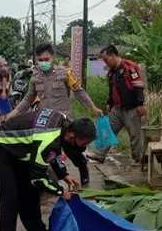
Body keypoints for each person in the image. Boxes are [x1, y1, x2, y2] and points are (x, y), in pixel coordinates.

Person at [0, 108, 96, 231]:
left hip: (22, 151)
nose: (83, 148)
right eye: (83, 144)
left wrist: (63, 175)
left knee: (29, 193)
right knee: (11, 200)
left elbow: (54, 153)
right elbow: (39, 177)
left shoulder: (65, 122)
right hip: (0, 149)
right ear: (72, 136)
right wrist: (60, 191)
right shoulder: (48, 139)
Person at [6, 43, 102, 186]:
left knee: (73, 150)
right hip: (46, 123)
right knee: (47, 152)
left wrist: (92, 107)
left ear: (53, 58)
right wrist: (13, 113)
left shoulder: (64, 73)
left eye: (46, 59)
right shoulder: (35, 77)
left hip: (64, 121)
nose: (43, 63)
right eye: (40, 60)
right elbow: (28, 99)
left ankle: (83, 169)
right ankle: (48, 180)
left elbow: (79, 91)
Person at [86, 45, 146, 164]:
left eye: (106, 59)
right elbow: (112, 89)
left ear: (113, 55)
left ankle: (139, 158)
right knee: (107, 129)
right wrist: (110, 103)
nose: (105, 62)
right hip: (117, 108)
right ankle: (99, 154)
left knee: (135, 135)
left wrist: (140, 104)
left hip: (132, 107)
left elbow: (139, 86)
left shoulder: (130, 67)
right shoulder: (111, 73)